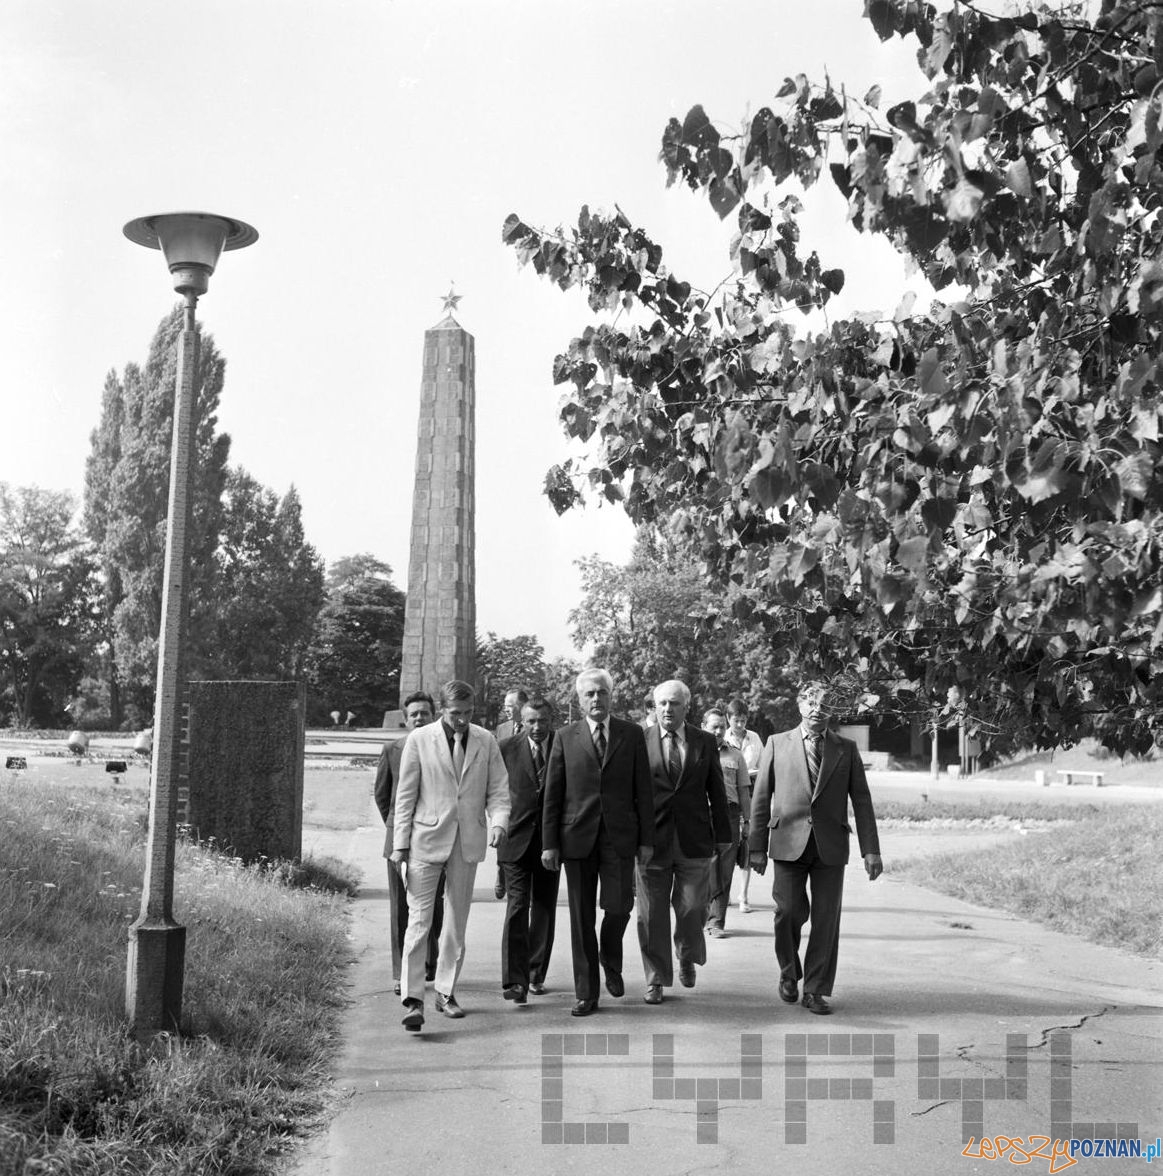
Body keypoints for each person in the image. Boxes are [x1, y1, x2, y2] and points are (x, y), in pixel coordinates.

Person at [748, 679, 883, 1016]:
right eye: (810, 701)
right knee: (788, 912)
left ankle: (816, 989)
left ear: (833, 710)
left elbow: (862, 801)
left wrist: (871, 849)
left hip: (830, 845)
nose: (817, 708)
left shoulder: (845, 748)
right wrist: (756, 848)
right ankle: (789, 972)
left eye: (824, 703)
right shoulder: (777, 744)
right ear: (799, 705)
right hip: (787, 843)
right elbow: (761, 798)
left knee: (826, 919)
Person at [392, 680, 510, 1031]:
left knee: (456, 922)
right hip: (425, 840)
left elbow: (499, 789)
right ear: (442, 708)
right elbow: (405, 796)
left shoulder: (485, 740)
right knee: (419, 921)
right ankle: (414, 999)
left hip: (468, 840)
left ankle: (445, 991)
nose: (462, 720)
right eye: (455, 713)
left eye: (469, 713)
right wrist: (400, 844)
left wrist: (499, 823)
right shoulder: (419, 739)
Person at [541, 667, 654, 1017]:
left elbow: (643, 792)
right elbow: (553, 794)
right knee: (580, 918)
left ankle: (610, 956)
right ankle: (586, 992)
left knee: (619, 907)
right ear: (578, 699)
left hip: (620, 839)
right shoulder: (564, 737)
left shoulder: (632, 734)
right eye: (589, 694)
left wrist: (646, 840)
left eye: (601, 693)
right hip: (576, 838)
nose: (595, 699)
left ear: (610, 696)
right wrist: (549, 843)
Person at [636, 680, 731, 1005]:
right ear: (654, 706)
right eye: (661, 703)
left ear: (685, 707)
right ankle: (656, 979)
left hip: (694, 839)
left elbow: (716, 790)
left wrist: (724, 836)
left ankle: (686, 954)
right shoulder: (640, 740)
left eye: (674, 703)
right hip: (650, 841)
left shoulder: (704, 741)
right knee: (651, 915)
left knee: (692, 908)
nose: (667, 709)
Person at [373, 691, 442, 995]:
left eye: (424, 713)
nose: (418, 718)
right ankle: (402, 972)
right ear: (405, 717)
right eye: (413, 714)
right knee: (401, 908)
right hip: (399, 839)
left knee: (434, 906)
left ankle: (428, 963)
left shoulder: (443, 748)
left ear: (433, 715)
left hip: (434, 838)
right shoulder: (392, 749)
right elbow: (382, 794)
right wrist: (397, 825)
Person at [497, 697, 560, 1002]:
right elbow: (494, 791)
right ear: (520, 721)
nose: (537, 727)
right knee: (517, 906)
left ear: (552, 720)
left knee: (545, 909)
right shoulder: (505, 748)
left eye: (543, 721)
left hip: (551, 843)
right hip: (514, 840)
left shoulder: (563, 747)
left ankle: (536, 974)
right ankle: (514, 980)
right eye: (530, 721)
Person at [702, 707, 751, 938]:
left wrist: (747, 821)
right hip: (701, 816)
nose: (719, 731)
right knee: (704, 868)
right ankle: (702, 917)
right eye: (714, 727)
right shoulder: (694, 752)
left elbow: (744, 791)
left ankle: (716, 921)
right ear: (704, 727)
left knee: (725, 870)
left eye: (722, 726)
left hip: (730, 817)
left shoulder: (735, 755)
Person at [725, 699, 764, 913]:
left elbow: (764, 764)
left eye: (743, 720)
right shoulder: (722, 738)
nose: (739, 725)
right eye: (736, 720)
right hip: (729, 793)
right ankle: (726, 891)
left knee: (748, 843)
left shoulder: (755, 738)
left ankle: (744, 895)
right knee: (729, 843)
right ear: (728, 719)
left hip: (751, 790)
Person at [493, 688, 529, 899]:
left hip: (525, 792)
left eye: (511, 705)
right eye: (505, 706)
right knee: (503, 837)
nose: (507, 710)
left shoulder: (532, 725)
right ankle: (501, 874)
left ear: (522, 706)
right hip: (505, 792)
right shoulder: (502, 729)